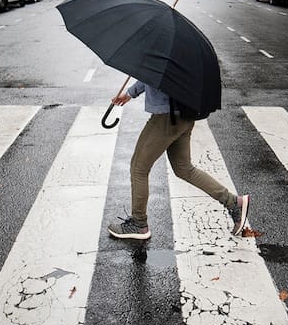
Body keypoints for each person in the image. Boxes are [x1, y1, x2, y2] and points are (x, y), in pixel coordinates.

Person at [107, 80, 249, 241]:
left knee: (138, 168)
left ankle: (138, 224)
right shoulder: (185, 62)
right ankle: (233, 202)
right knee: (184, 168)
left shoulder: (164, 61)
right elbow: (156, 72)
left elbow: (154, 73)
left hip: (165, 117)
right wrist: (130, 93)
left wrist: (130, 93)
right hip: (184, 113)